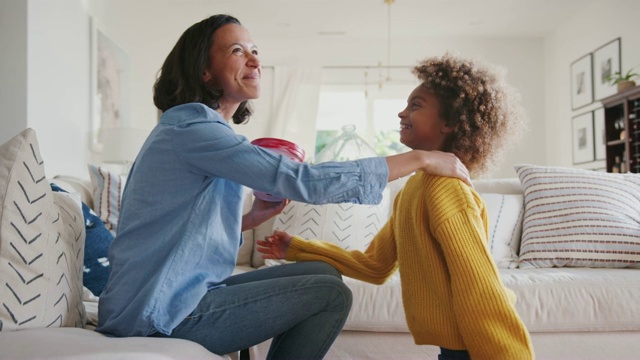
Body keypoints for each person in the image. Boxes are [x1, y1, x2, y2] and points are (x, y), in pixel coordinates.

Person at [95, 14, 471, 359]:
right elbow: (302, 179)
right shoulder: (194, 130)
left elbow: (174, 226)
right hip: (158, 314)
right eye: (237, 51)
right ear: (205, 71)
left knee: (324, 273)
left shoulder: (196, 130)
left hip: (168, 299)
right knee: (330, 295)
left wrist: (251, 217)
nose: (255, 61)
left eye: (256, 51)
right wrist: (419, 158)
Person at [258, 54, 535, 360]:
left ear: (450, 122)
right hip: (455, 350)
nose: (402, 112)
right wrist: (297, 248)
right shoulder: (415, 188)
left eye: (415, 105)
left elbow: (480, 284)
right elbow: (375, 266)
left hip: (476, 350)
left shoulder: (447, 190)